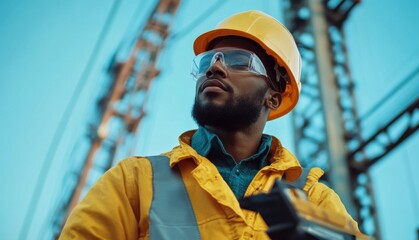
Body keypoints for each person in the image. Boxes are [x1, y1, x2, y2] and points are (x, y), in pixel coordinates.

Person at [59, 10, 358, 239]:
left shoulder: (314, 200)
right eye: (208, 61)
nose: (215, 67)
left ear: (274, 98)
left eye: (239, 60)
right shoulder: (134, 181)